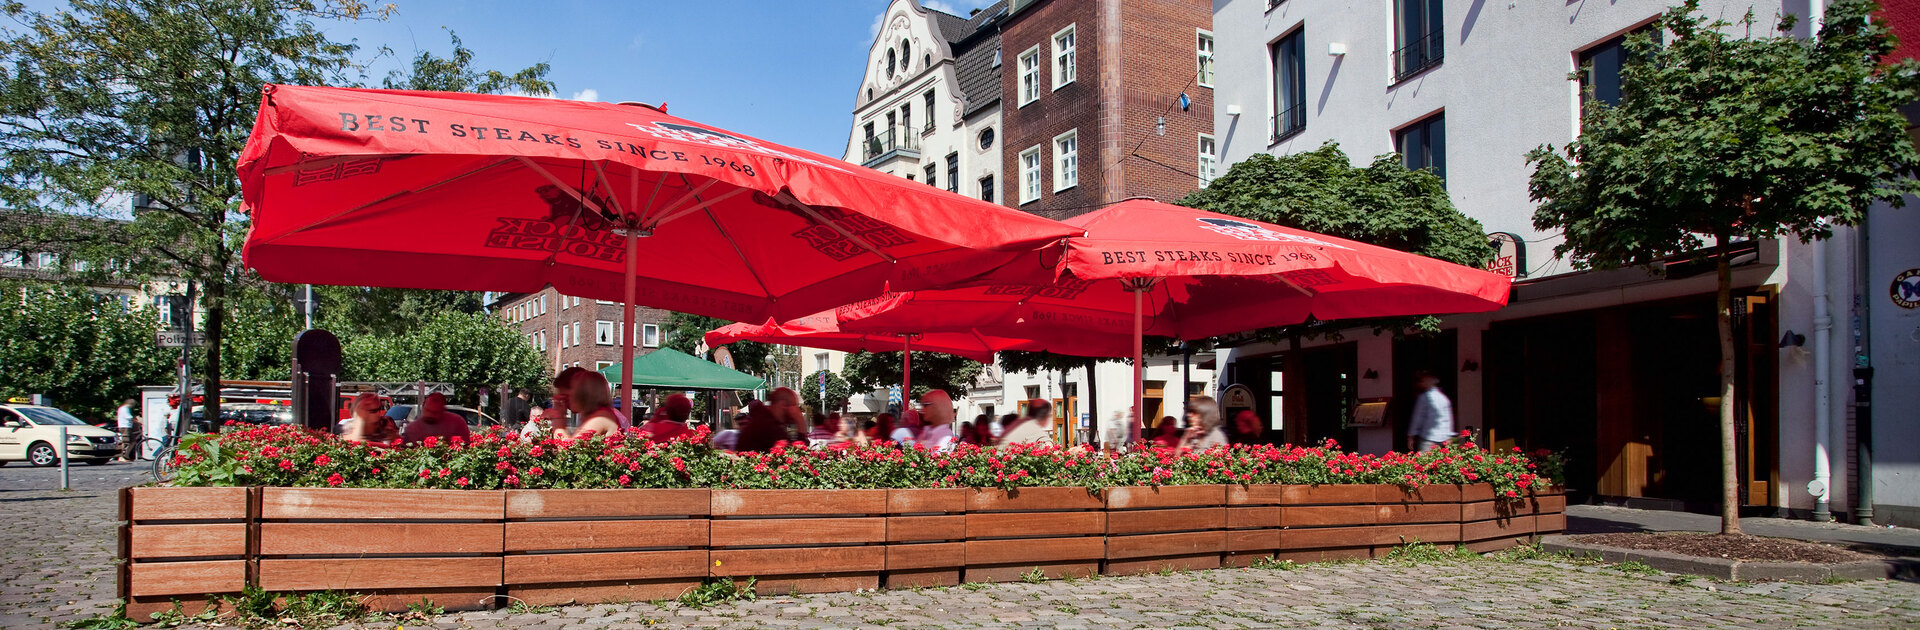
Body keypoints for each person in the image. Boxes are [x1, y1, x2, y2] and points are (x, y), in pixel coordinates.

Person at [560, 371, 624, 440]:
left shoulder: (600, 417)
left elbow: (570, 445)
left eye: (570, 391)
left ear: (583, 394)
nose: (565, 397)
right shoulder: (597, 414)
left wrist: (557, 419)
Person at [1406, 371, 1454, 453]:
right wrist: (1449, 435)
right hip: (1442, 437)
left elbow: (1417, 418)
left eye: (1423, 380)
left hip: (1427, 438)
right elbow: (1448, 419)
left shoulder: (1424, 397)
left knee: (1425, 460)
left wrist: (1411, 435)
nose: (1421, 383)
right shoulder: (1444, 398)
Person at [402, 392, 472, 444]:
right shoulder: (412, 428)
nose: (430, 415)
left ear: (443, 409)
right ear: (423, 406)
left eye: (435, 412)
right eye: (428, 410)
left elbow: (466, 445)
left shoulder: (457, 423)